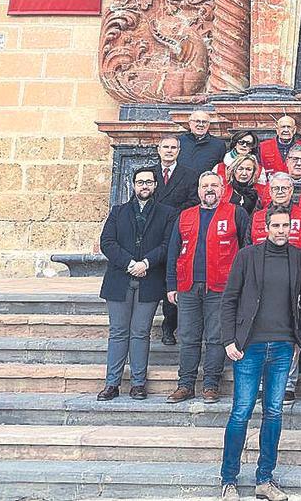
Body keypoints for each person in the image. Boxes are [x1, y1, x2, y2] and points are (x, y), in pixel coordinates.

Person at [218, 205, 301, 501]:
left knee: (273, 413)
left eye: (286, 226)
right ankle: (229, 480)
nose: (281, 231)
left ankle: (264, 479)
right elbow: (229, 298)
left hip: (283, 345)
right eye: (276, 226)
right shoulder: (247, 256)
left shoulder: (298, 257)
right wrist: (228, 340)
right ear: (266, 228)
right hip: (249, 345)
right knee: (241, 411)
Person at [165, 171, 252, 404]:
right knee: (188, 337)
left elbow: (247, 250)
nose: (209, 189)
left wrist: (242, 286)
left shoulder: (236, 213)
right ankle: (185, 384)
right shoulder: (185, 216)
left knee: (216, 337)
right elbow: (173, 252)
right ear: (198, 190)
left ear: (223, 189)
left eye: (214, 185)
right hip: (188, 286)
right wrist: (171, 285)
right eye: (205, 186)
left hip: (221, 287)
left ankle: (211, 384)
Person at [97, 167, 176, 401]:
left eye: (149, 182)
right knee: (118, 332)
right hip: (120, 279)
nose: (144, 186)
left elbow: (167, 244)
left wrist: (147, 263)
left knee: (141, 332)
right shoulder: (118, 212)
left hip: (149, 279)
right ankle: (112, 383)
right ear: (133, 185)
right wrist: (130, 263)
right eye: (140, 182)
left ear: (155, 185)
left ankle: (138, 383)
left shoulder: (167, 213)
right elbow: (107, 242)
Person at [251, 173, 301, 404]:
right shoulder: (258, 216)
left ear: (292, 191)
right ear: (269, 191)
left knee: (291, 334)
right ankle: (262, 384)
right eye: (276, 188)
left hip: (294, 282)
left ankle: (288, 384)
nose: (280, 192)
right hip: (262, 283)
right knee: (260, 334)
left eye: (285, 188)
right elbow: (248, 248)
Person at [152, 134, 197, 346]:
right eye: (165, 147)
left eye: (173, 147)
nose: (169, 151)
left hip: (177, 232)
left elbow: (192, 201)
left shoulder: (189, 175)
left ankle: (170, 327)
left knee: (174, 282)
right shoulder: (148, 174)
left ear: (179, 151)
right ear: (158, 150)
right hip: (152, 234)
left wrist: (170, 214)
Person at [179, 109, 227, 176]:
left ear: (208, 124)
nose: (201, 125)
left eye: (204, 122)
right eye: (197, 121)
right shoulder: (179, 141)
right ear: (190, 123)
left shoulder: (218, 145)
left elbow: (220, 170)